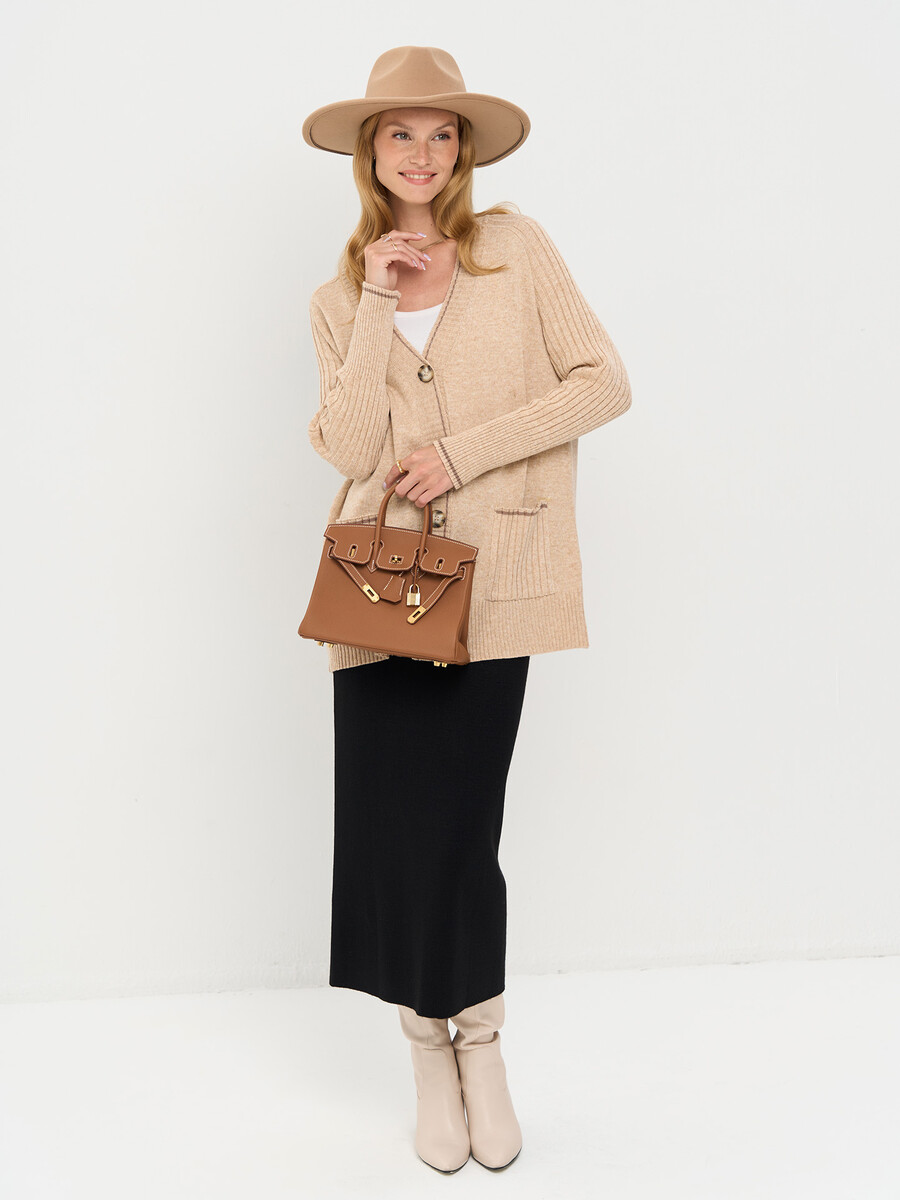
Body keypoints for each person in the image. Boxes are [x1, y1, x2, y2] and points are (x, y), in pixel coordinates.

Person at [300, 45, 632, 1174]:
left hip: (499, 580)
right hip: (382, 591)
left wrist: (462, 451)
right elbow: (349, 447)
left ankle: (480, 1048)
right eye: (402, 133)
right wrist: (375, 300)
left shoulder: (514, 250)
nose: (423, 153)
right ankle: (424, 1054)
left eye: (443, 134)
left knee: (464, 828)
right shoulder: (337, 298)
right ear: (370, 151)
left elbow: (602, 381)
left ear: (463, 151)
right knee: (395, 830)